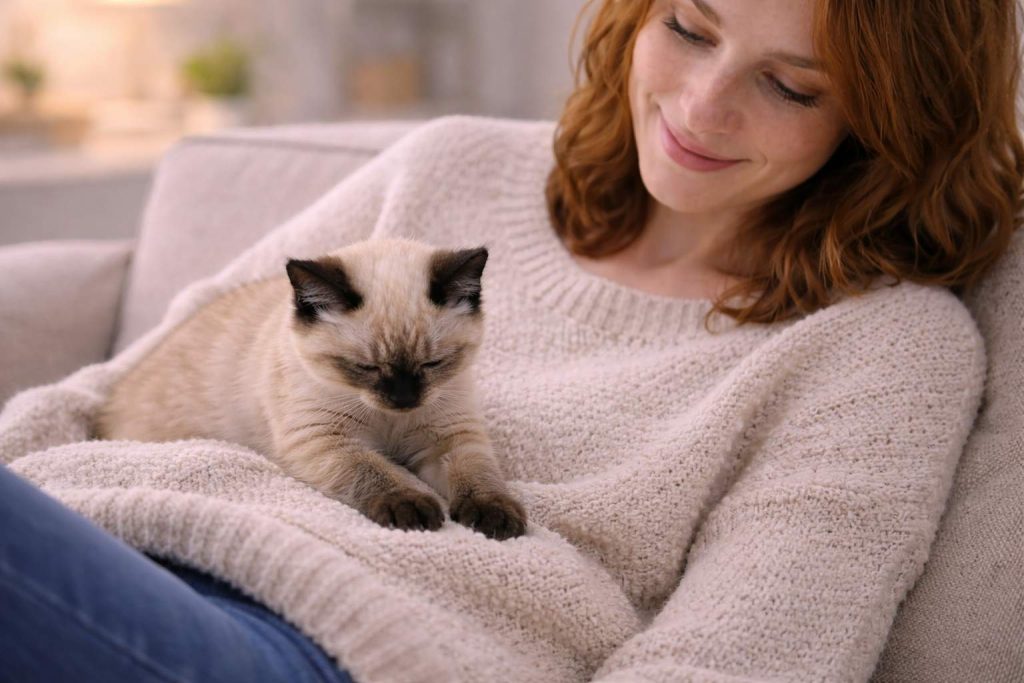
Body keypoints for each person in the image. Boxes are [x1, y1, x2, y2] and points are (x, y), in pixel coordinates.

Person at [1, 0, 1021, 681]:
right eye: (689, 27)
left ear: (889, 118)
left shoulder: (880, 347)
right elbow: (142, 373)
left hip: (330, 637)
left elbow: (739, 656)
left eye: (791, 86)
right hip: (114, 530)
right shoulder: (453, 168)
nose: (702, 107)